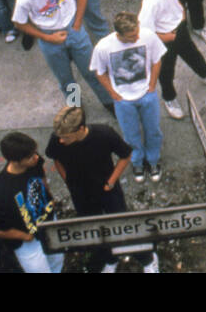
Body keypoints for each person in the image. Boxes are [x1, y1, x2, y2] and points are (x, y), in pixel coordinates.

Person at [45, 106, 154, 272]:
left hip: (107, 189)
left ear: (80, 129)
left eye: (65, 137)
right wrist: (67, 179)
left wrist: (110, 182)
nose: (61, 140)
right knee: (93, 229)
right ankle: (110, 259)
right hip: (80, 192)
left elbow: (125, 156)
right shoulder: (57, 139)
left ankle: (147, 259)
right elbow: (56, 159)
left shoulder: (104, 134)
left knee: (122, 225)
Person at [13, 0, 115, 113]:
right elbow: (19, 23)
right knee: (66, 79)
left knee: (91, 71)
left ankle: (109, 103)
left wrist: (77, 23)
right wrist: (47, 38)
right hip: (50, 39)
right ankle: (76, 107)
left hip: (74, 29)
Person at [139, 0, 206, 119]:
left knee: (192, 54)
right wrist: (165, 37)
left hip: (178, 29)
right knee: (166, 71)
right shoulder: (151, 1)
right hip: (165, 39)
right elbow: (145, 31)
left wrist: (181, 11)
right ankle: (169, 98)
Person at [89, 14, 165, 183]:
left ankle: (153, 160)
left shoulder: (148, 36)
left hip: (147, 95)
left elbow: (157, 60)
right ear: (119, 34)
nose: (137, 37)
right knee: (130, 135)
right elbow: (99, 72)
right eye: (132, 36)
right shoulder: (103, 47)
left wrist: (152, 85)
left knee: (153, 130)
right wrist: (113, 94)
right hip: (123, 100)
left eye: (137, 32)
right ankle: (137, 162)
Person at [0, 131, 63, 273]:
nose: (36, 157)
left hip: (49, 224)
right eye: (30, 157)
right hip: (29, 242)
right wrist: (24, 236)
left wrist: (49, 197)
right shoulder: (1, 193)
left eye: (35, 153)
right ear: (15, 160)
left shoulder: (34, 163)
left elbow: (42, 177)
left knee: (57, 261)